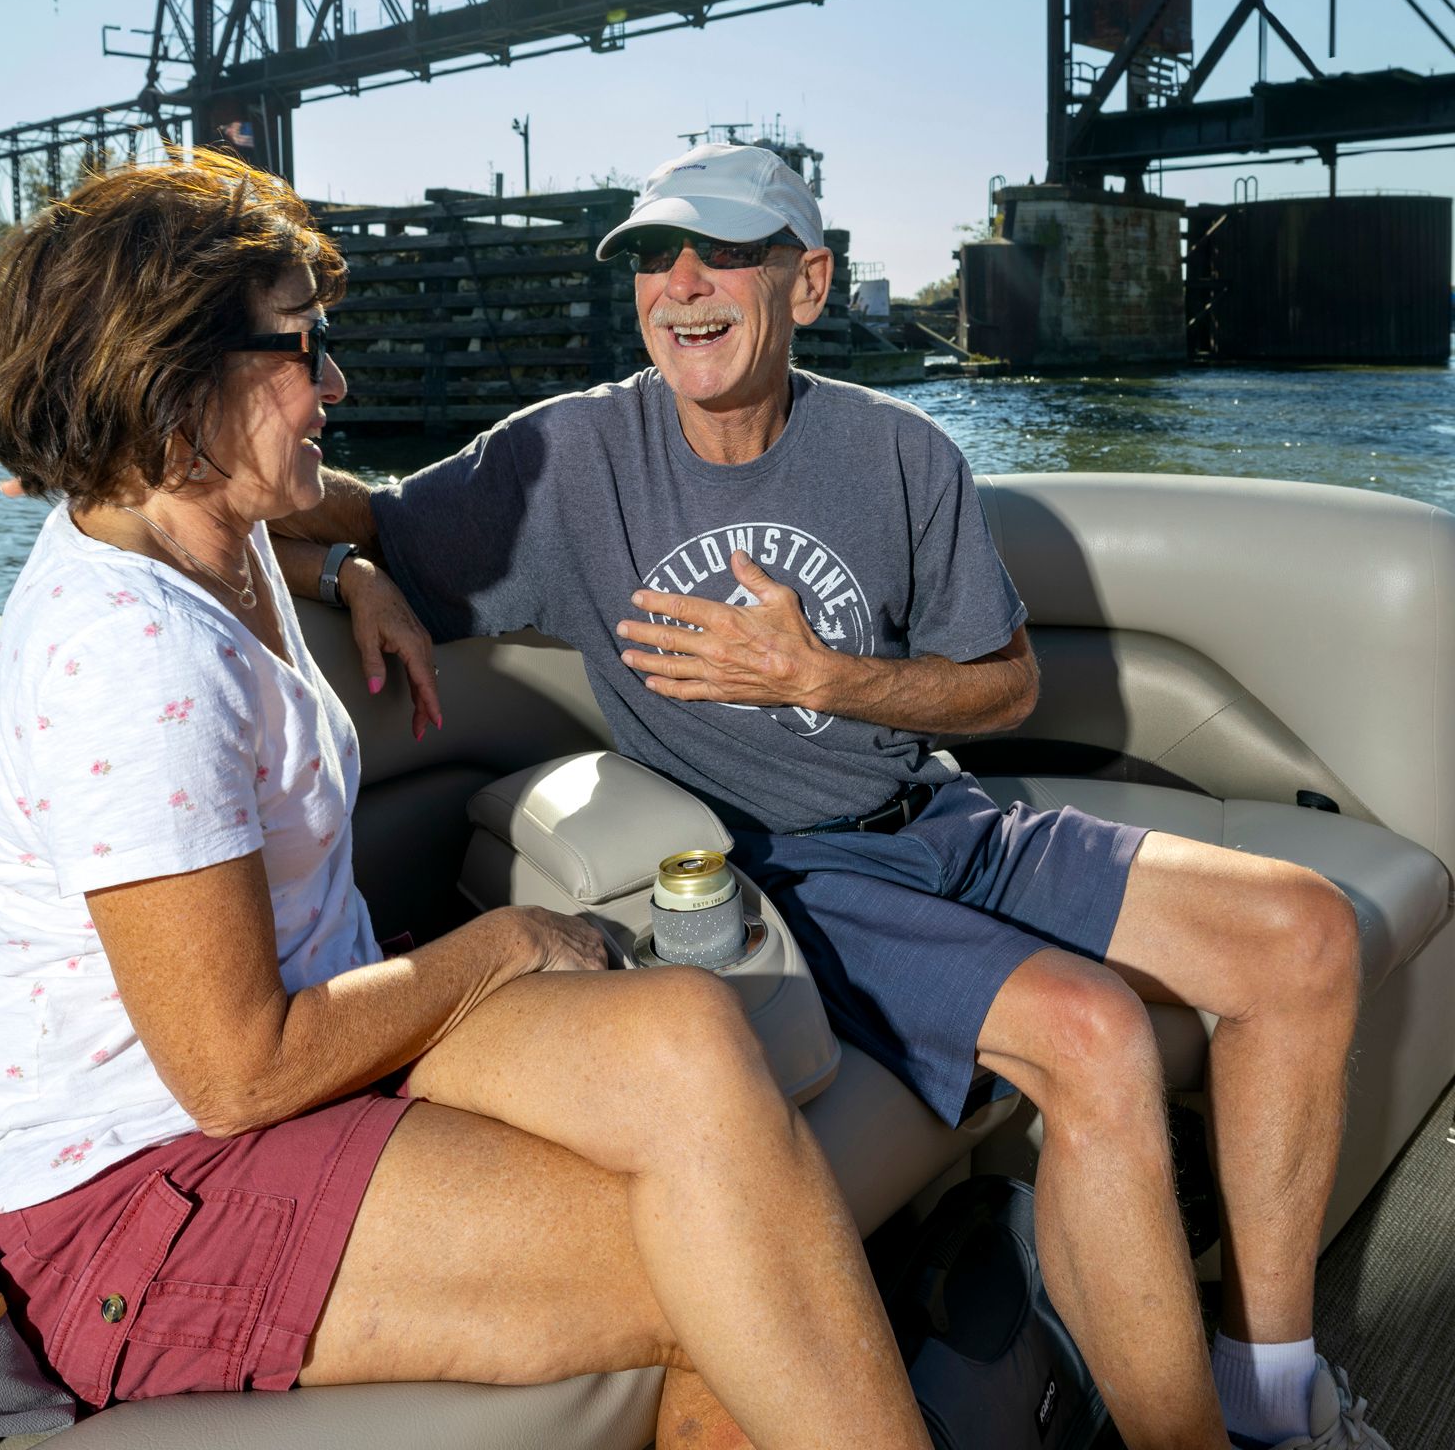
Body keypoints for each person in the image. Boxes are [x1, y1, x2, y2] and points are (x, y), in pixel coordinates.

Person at [282, 142, 1386, 1450]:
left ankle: (1272, 1396)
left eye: (723, 251)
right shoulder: (574, 463)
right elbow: (344, 511)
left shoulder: (904, 454)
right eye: (652, 256)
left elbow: (1005, 687)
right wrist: (360, 572)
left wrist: (827, 675)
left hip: (949, 817)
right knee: (1091, 1033)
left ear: (809, 283)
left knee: (1306, 935)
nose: (680, 283)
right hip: (791, 872)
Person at [0, 151, 928, 1450]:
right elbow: (239, 1074)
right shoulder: (127, 659)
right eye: (303, 349)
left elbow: (331, 523)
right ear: (176, 382)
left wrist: (352, 562)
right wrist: (507, 944)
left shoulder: (206, 523)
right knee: (739, 1282)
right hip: (122, 1196)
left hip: (281, 1078)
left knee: (688, 1030)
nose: (337, 381)